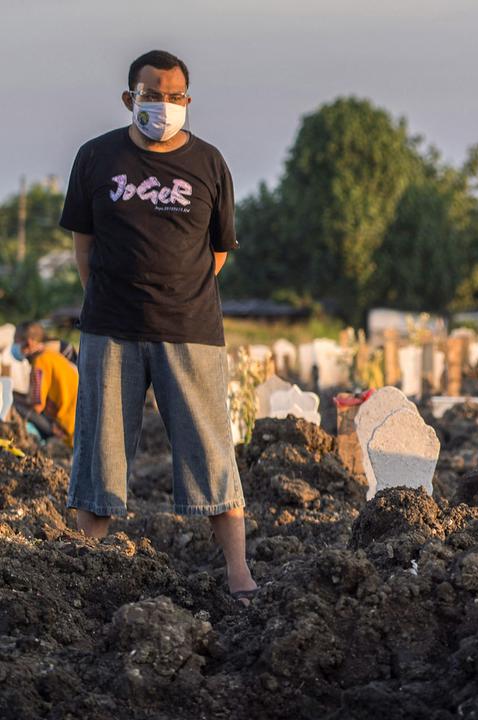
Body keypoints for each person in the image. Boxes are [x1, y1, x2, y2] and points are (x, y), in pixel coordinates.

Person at [58, 50, 259, 605]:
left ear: (187, 101)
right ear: (131, 98)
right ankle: (80, 571)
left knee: (211, 449)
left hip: (190, 330)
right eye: (152, 95)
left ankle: (239, 572)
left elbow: (218, 251)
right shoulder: (96, 157)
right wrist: (108, 295)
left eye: (175, 97)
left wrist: (177, 290)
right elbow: (83, 244)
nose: (164, 105)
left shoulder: (209, 163)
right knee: (99, 454)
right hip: (110, 329)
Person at [12, 321, 79, 446]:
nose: (13, 345)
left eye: (15, 341)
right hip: (76, 423)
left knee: (14, 404)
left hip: (66, 428)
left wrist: (14, 399)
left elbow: (37, 405)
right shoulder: (51, 356)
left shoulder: (40, 362)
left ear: (29, 343)